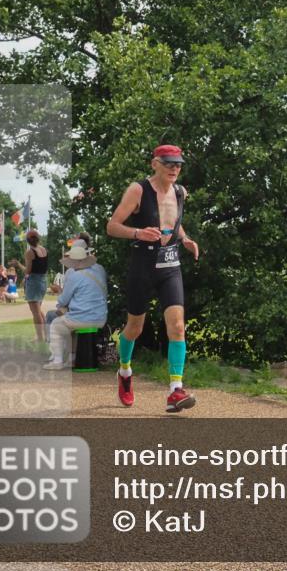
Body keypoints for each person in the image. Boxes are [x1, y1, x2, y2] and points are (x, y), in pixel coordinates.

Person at [106, 144, 199, 412]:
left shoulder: (181, 192)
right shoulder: (138, 190)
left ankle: (175, 390)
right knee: (134, 328)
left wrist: (186, 239)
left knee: (178, 326)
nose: (174, 168)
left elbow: (175, 222)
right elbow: (112, 227)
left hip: (170, 264)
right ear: (154, 163)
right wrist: (137, 234)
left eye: (178, 164)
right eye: (169, 163)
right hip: (143, 265)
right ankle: (124, 372)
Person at [43, 240, 108, 370]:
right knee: (67, 321)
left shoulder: (74, 275)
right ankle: (72, 358)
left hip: (83, 318)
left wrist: (59, 293)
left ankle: (57, 361)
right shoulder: (100, 270)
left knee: (56, 325)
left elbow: (63, 301)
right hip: (101, 317)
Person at [12, 230, 48, 341]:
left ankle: (40, 338)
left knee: (36, 312)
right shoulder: (44, 249)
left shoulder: (29, 252)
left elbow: (27, 271)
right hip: (43, 281)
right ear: (38, 238)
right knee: (38, 310)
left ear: (28, 241)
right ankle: (47, 335)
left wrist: (18, 264)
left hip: (34, 282)